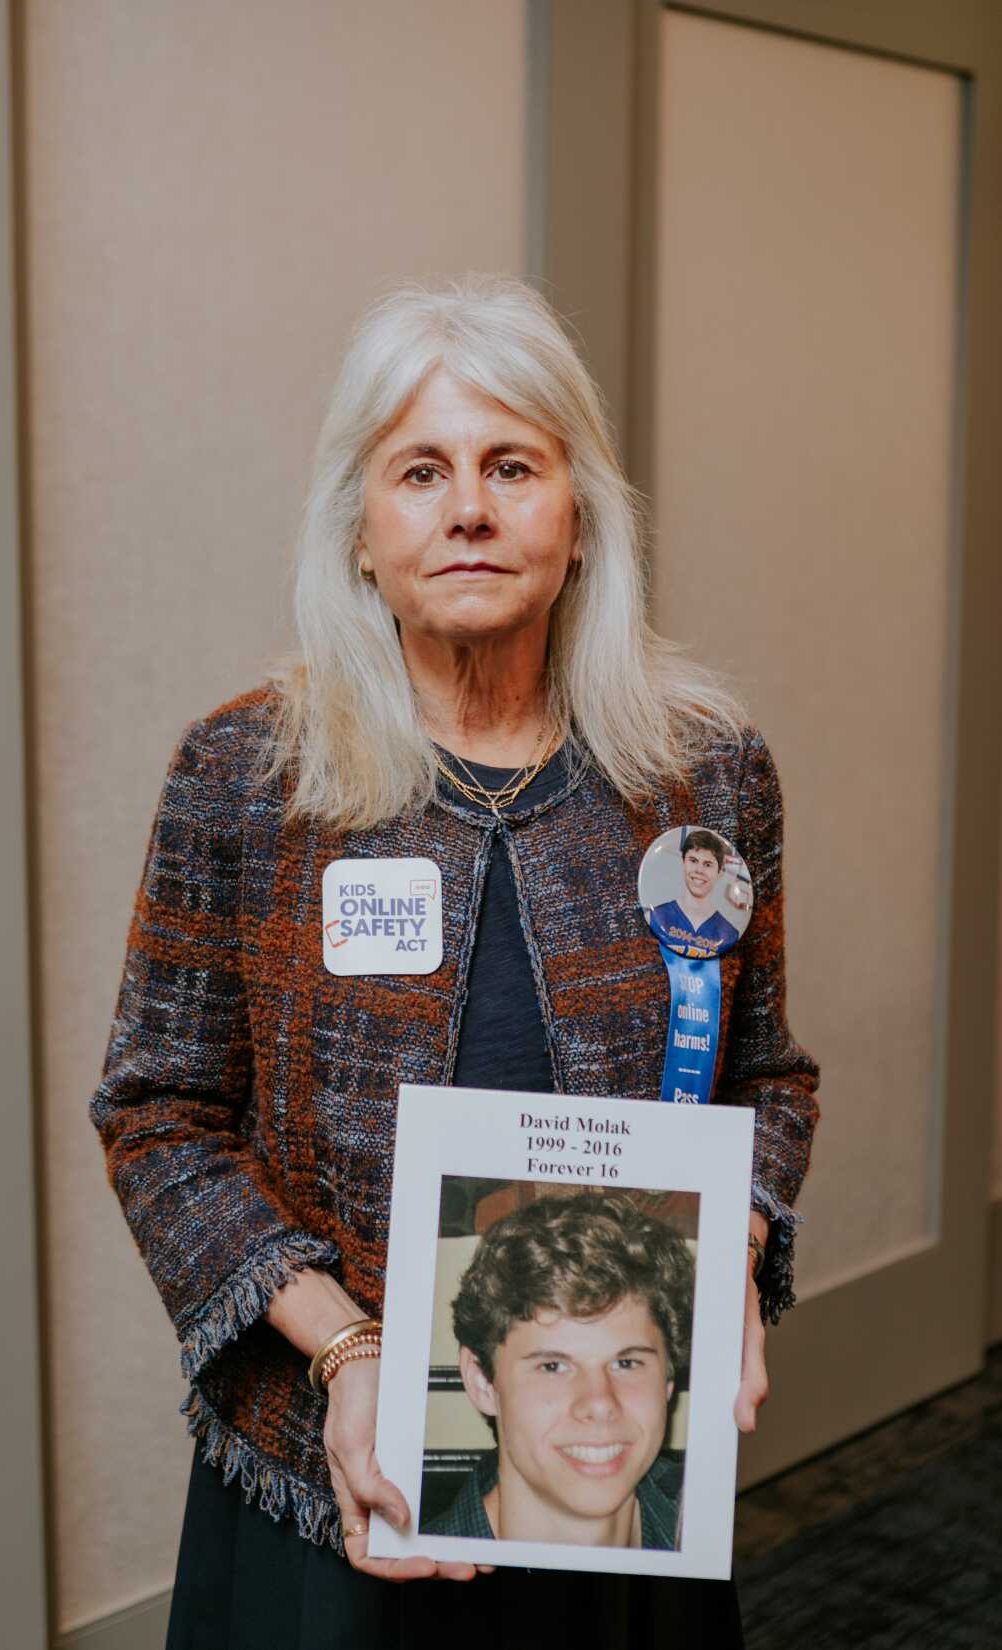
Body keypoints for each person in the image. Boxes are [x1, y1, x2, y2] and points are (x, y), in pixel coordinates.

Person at [90, 274, 819, 1649]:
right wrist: (351, 1352)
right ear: (360, 531)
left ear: (579, 515)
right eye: (420, 470)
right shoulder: (245, 776)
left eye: (512, 465)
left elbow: (769, 1076)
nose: (468, 508)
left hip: (616, 1465)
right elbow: (157, 1116)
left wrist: (730, 1248)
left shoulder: (703, 773)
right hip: (323, 1467)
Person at [423, 1192, 693, 1550]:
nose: (600, 1403)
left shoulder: (701, 1521)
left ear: (667, 1383)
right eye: (553, 1366)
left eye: (627, 1363)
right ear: (482, 1382)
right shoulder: (406, 1592)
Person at [649, 828, 741, 958]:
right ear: (683, 863)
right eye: (693, 860)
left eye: (708, 864)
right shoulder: (655, 915)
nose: (699, 870)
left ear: (719, 872)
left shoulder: (729, 934)